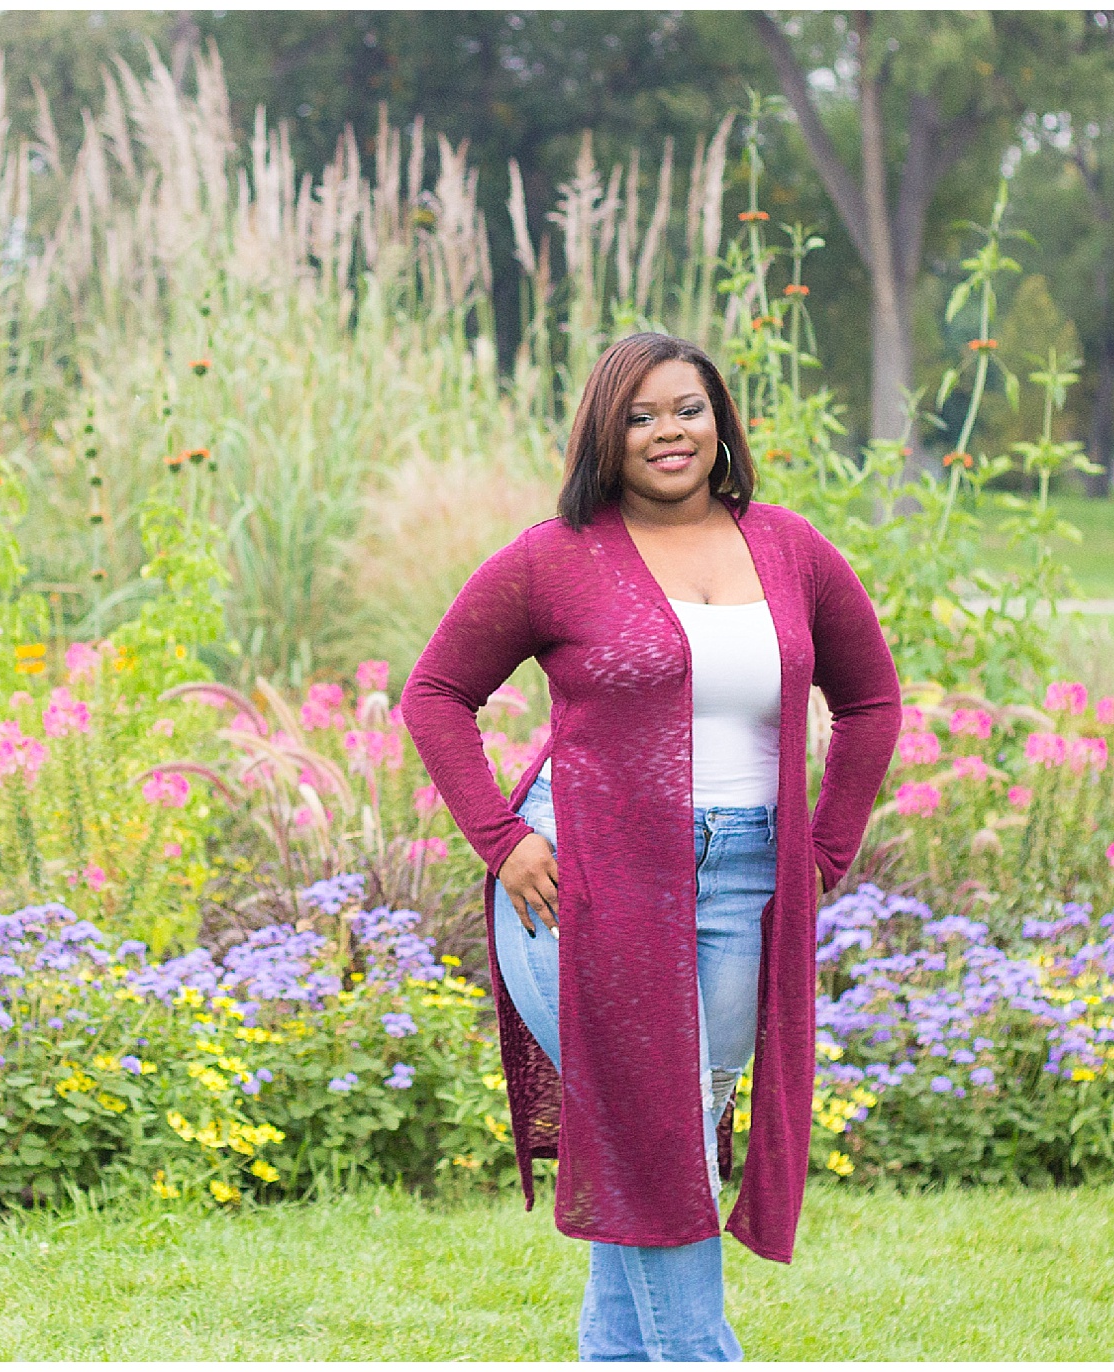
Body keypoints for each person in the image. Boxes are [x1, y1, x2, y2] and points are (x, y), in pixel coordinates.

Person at [400, 332, 900, 1360]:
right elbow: (435, 694)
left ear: (719, 420)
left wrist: (822, 851)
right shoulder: (554, 557)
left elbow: (869, 698)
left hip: (744, 885)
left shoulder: (789, 547)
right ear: (603, 433)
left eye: (685, 407)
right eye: (638, 414)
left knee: (656, 1140)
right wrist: (499, 839)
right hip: (576, 884)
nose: (666, 431)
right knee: (654, 1139)